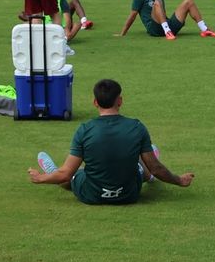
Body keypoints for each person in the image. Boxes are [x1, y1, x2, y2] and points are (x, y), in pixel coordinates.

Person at [28, 78, 193, 204]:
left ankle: (52, 172)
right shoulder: (136, 127)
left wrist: (40, 178)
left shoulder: (85, 130)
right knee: (135, 159)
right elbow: (156, 168)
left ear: (95, 102)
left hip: (92, 194)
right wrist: (180, 180)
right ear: (120, 100)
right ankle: (146, 168)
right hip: (129, 194)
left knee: (72, 176)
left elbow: (66, 173)